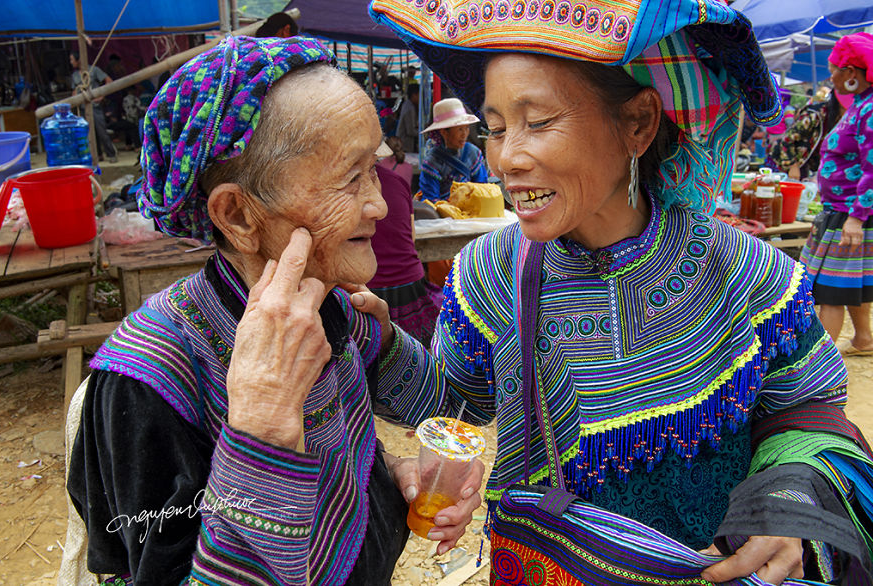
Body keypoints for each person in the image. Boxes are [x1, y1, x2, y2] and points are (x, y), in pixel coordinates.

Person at [369, 1, 873, 583]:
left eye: (537, 121)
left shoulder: (746, 274)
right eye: (497, 127)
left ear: (638, 123)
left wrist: (786, 504)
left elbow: (807, 411)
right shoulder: (488, 271)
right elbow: (459, 405)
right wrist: (381, 339)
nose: (507, 158)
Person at [65, 36, 482, 586]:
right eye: (349, 178)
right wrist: (261, 432)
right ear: (237, 214)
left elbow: (451, 406)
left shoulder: (332, 307)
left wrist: (390, 476)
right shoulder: (148, 385)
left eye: (375, 168)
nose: (379, 204)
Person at [800, 32, 873, 358]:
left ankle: (818, 364)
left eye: (835, 69)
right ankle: (864, 339)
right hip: (841, 211)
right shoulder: (861, 106)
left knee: (830, 293)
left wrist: (857, 218)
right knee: (848, 282)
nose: (831, 76)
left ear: (853, 73)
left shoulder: (870, 110)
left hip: (850, 215)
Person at [369, 142, 444, 348]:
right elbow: (411, 238)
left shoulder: (343, 185)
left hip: (370, 288)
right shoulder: (398, 181)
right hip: (410, 282)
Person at [418, 98, 487, 202]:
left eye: (466, 128)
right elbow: (431, 200)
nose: (465, 134)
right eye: (460, 129)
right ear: (444, 132)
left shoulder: (473, 153)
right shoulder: (432, 162)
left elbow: (482, 190)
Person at [770, 90, 845, 180]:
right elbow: (788, 139)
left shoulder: (847, 119)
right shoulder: (814, 115)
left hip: (812, 167)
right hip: (789, 160)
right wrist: (793, 166)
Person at [69, 52, 118, 163]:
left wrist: (101, 96)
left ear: (78, 60)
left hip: (94, 106)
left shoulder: (93, 70)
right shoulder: (75, 75)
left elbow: (108, 81)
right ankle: (97, 155)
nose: (71, 62)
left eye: (72, 59)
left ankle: (111, 154)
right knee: (88, 133)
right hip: (82, 108)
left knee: (101, 131)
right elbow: (74, 90)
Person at [396, 82, 420, 152]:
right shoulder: (410, 108)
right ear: (414, 95)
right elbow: (411, 131)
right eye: (419, 95)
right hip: (405, 145)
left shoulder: (407, 104)